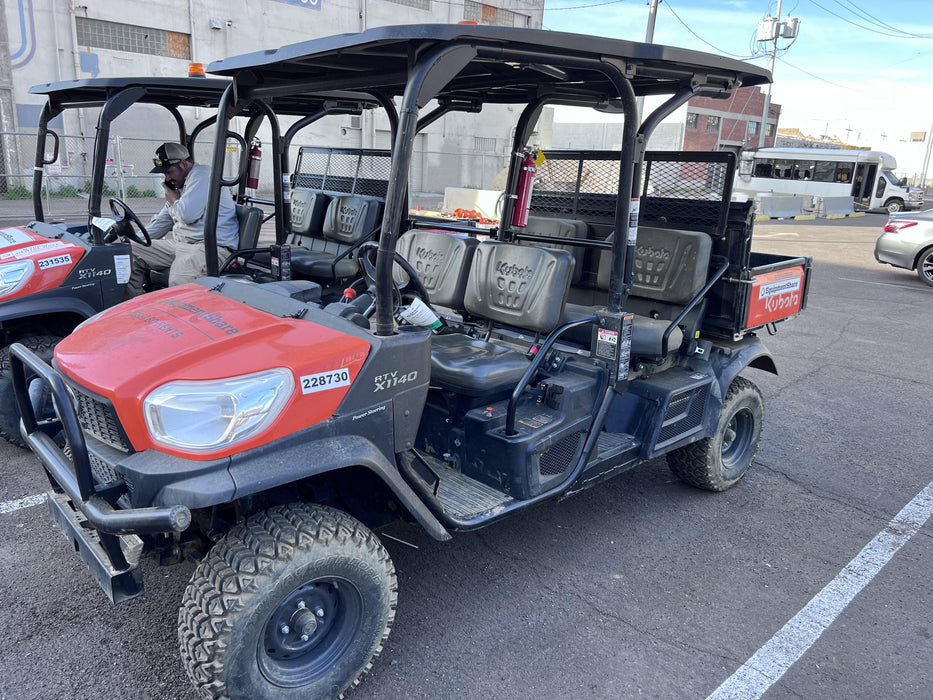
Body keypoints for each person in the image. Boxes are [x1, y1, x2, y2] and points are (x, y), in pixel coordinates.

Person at [127, 142, 240, 297]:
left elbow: (187, 215)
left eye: (169, 172)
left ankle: (180, 319)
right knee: (129, 252)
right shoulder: (182, 186)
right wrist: (136, 240)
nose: (167, 178)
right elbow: (163, 221)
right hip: (183, 245)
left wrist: (174, 200)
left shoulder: (202, 175)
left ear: (184, 164)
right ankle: (137, 308)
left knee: (179, 280)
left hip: (209, 247)